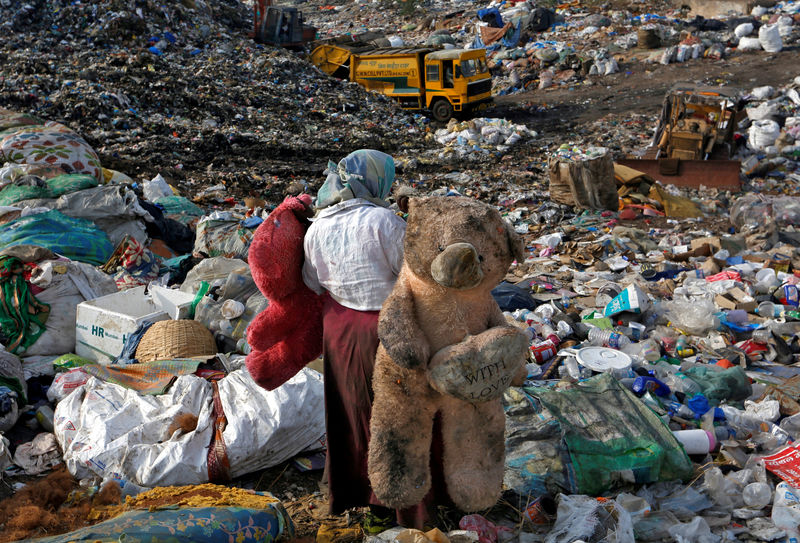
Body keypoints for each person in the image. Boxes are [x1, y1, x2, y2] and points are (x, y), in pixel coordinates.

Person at [302, 149, 407, 522]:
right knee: (395, 416)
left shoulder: (316, 227)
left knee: (350, 412)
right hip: (386, 331)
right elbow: (410, 275)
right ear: (376, 180)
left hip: (340, 332)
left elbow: (312, 283)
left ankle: (354, 491)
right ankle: (393, 504)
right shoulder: (384, 221)